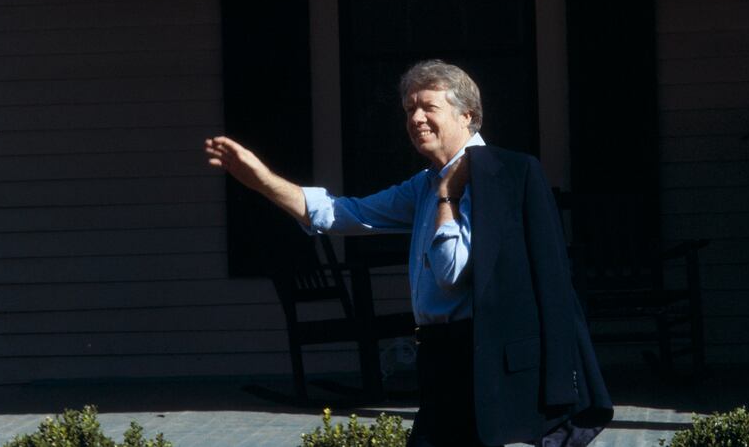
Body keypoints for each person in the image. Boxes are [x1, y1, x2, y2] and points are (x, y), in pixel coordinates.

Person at [205, 60, 613, 446]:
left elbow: (451, 274)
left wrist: (448, 196)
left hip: (477, 358)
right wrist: (261, 180)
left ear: (467, 115)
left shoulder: (501, 175)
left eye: (428, 107)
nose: (415, 118)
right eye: (409, 109)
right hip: (437, 356)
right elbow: (342, 214)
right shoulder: (425, 184)